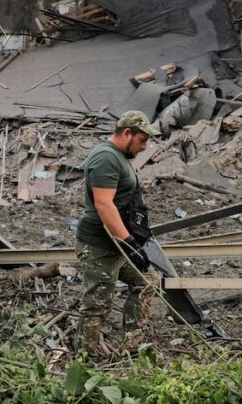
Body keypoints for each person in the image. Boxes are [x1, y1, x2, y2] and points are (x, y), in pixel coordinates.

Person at [74, 110, 161, 359]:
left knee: (146, 283)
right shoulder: (105, 158)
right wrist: (130, 243)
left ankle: (131, 347)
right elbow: (104, 205)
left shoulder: (120, 156)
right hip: (100, 244)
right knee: (98, 303)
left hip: (117, 241)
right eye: (142, 140)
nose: (145, 147)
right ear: (126, 133)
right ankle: (84, 357)